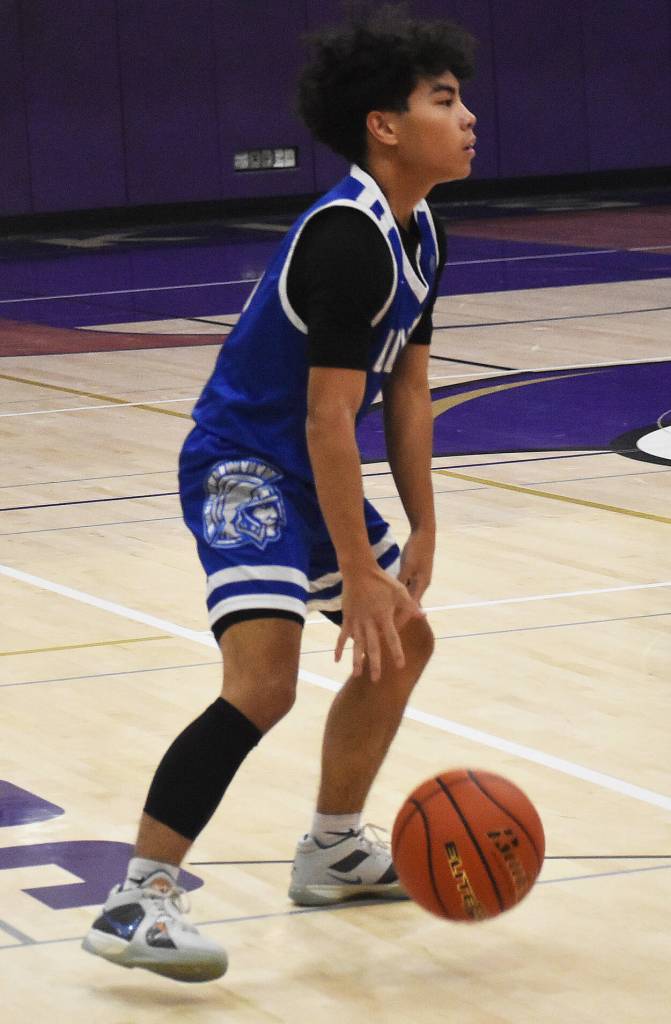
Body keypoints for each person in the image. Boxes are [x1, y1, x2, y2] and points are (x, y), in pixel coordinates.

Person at [82, 4, 476, 983]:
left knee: (402, 640)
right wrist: (355, 564)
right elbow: (323, 419)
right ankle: (139, 895)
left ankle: (334, 848)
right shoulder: (344, 236)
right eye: (443, 98)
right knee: (264, 681)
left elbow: (412, 389)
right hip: (243, 461)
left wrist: (422, 525)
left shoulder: (420, 232)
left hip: (304, 464)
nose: (467, 115)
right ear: (382, 125)